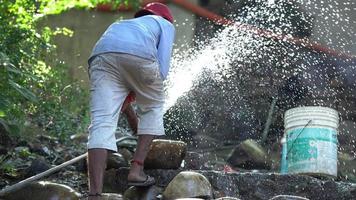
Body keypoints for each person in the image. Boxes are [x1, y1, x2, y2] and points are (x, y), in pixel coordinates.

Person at [86, 2, 175, 199]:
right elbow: (162, 69)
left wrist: (130, 108)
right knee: (152, 107)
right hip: (140, 56)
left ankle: (94, 194)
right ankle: (136, 170)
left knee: (101, 122)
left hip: (100, 58)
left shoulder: (121, 24)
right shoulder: (165, 24)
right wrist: (145, 91)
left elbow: (121, 76)